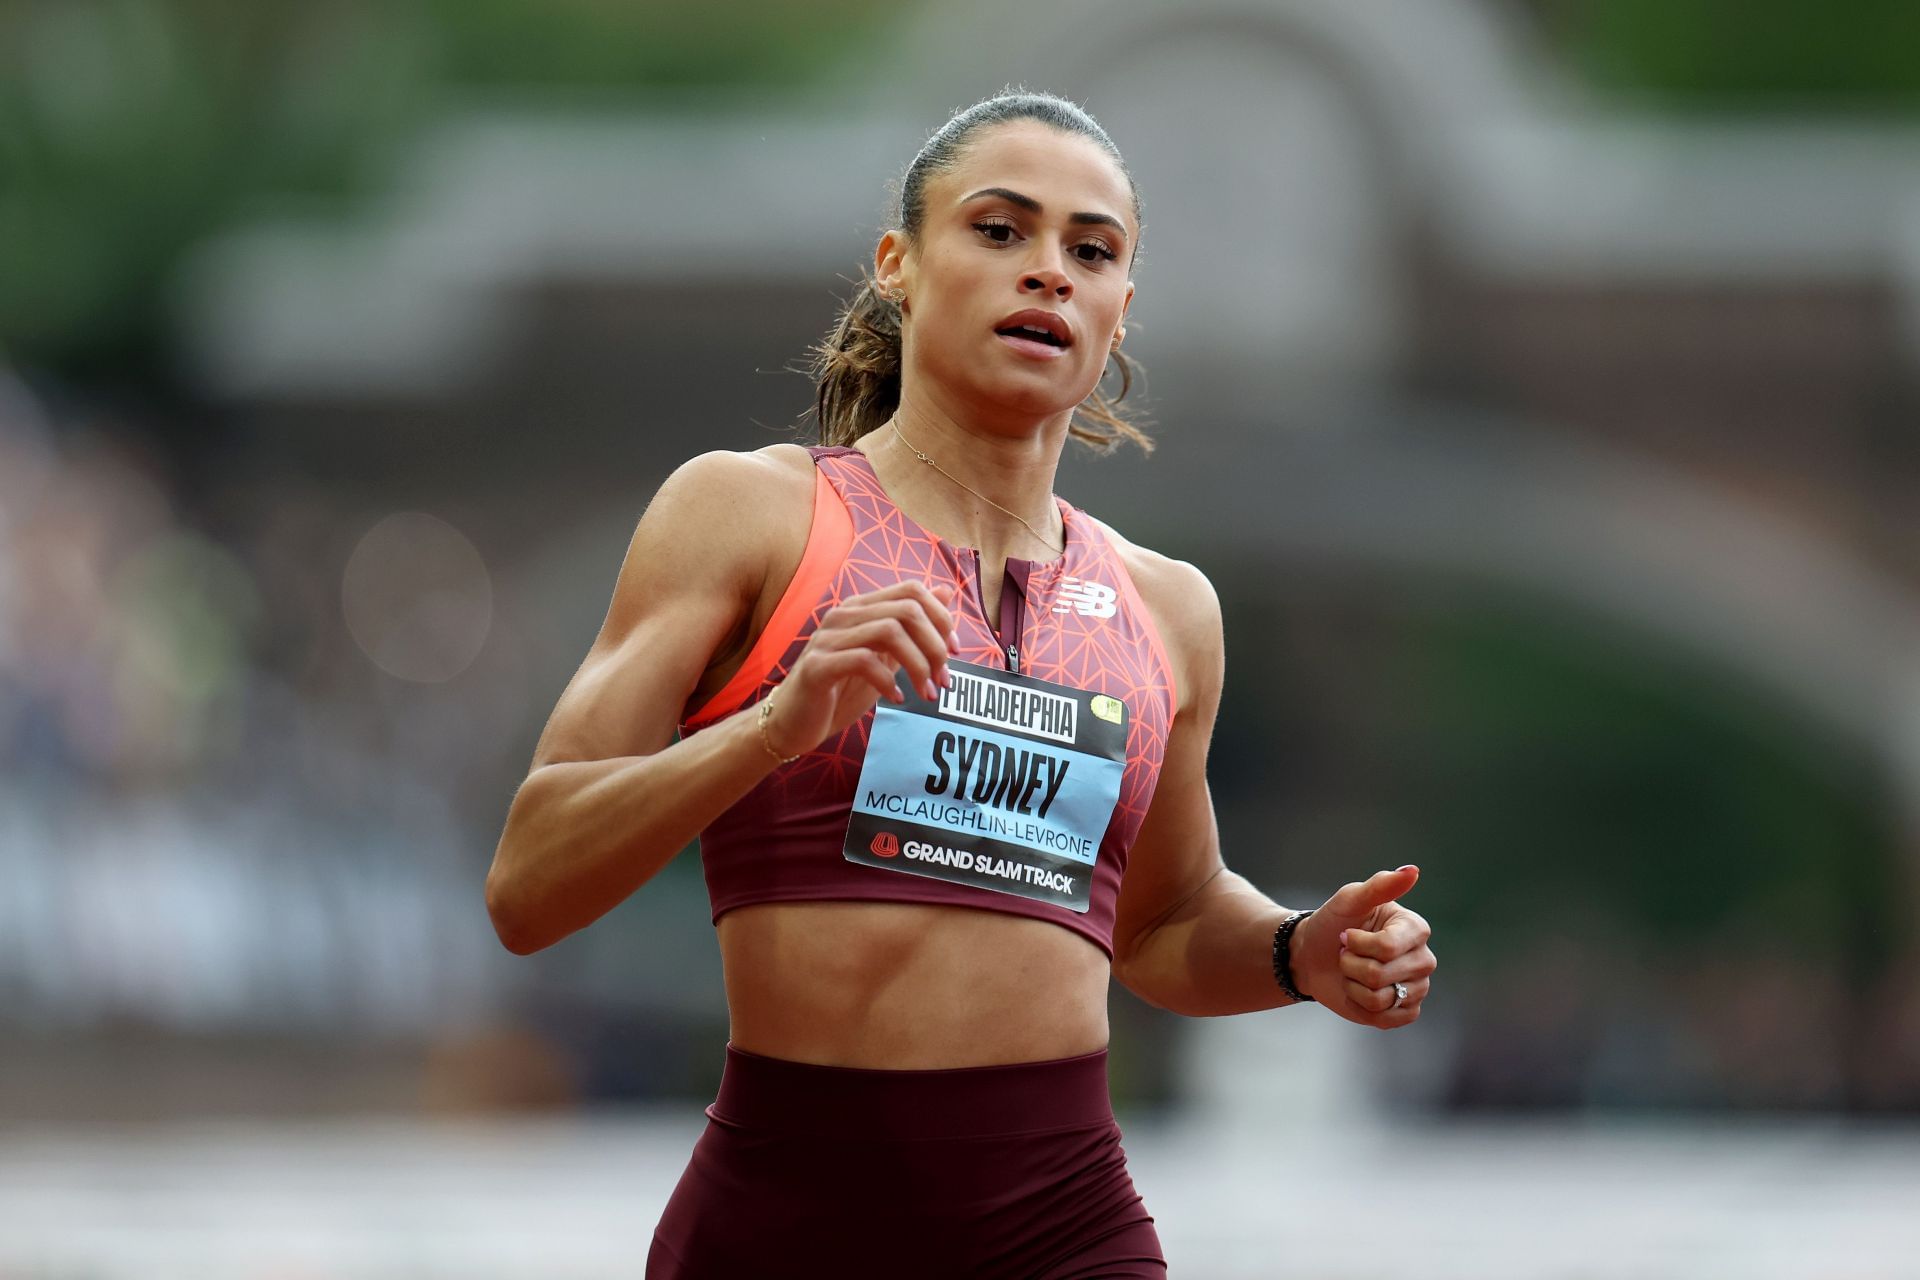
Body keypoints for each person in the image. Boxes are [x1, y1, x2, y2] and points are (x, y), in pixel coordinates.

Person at [485, 88, 1438, 1279]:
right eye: (999, 229)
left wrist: (1301, 953)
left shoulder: (1167, 607)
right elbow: (527, 887)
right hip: (787, 1221)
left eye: (1091, 251)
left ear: (1120, 309)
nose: (1048, 272)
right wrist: (771, 727)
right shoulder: (752, 514)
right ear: (898, 263)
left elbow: (1161, 921)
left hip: (1064, 1227)